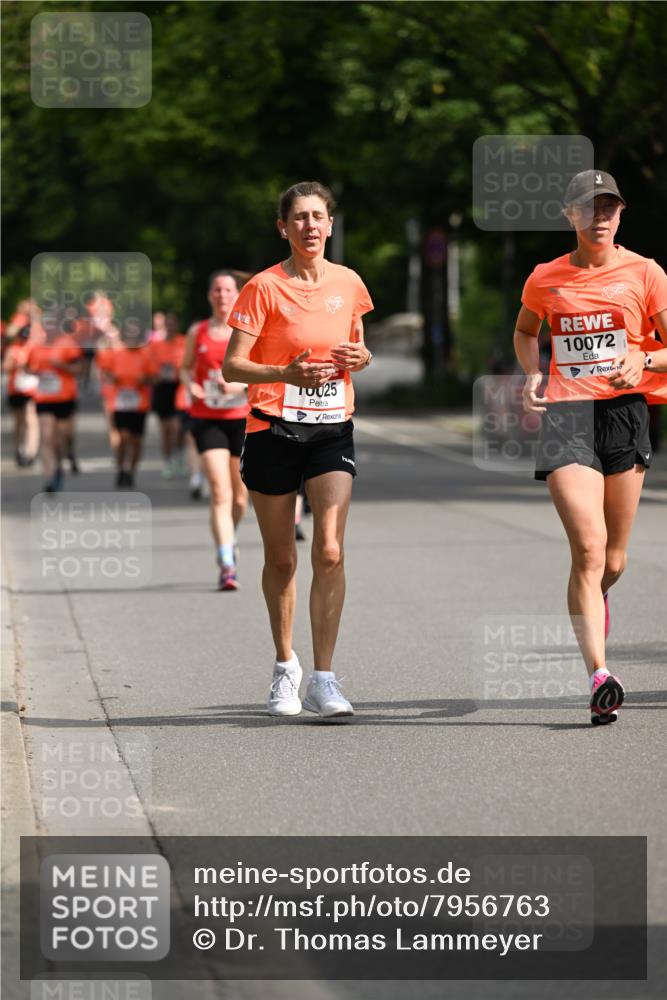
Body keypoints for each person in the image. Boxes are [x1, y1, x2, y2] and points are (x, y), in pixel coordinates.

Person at [514, 169, 667, 726]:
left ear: (620, 215)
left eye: (609, 207)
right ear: (570, 214)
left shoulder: (646, 273)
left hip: (625, 416)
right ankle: (599, 675)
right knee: (588, 547)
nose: (599, 216)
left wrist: (643, 359)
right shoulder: (545, 278)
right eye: (589, 207)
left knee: (614, 560)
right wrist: (533, 373)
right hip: (567, 418)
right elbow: (526, 331)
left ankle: (589, 601)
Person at [223, 180, 374, 719]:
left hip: (333, 425)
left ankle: (324, 677)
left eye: (319, 216)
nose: (311, 226)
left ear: (330, 225)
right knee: (282, 557)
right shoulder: (263, 288)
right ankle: (285, 667)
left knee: (330, 549)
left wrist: (362, 358)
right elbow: (231, 366)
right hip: (272, 428)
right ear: (283, 227)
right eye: (300, 218)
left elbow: (356, 345)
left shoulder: (349, 283)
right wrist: (284, 372)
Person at [181, 272, 250, 590]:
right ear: (210, 295)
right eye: (217, 290)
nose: (222, 295)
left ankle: (229, 537)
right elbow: (184, 367)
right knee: (220, 491)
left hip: (242, 418)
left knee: (240, 498)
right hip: (207, 418)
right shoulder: (198, 331)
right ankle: (226, 561)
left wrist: (236, 386)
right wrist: (191, 385)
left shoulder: (247, 331)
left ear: (236, 295)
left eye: (228, 290)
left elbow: (260, 372)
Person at [25, 317, 83, 492]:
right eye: (46, 326)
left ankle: (59, 465)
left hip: (65, 398)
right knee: (47, 436)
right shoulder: (35, 346)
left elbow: (79, 370)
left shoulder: (67, 344)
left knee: (61, 438)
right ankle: (49, 476)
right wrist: (35, 372)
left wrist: (61, 366)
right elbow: (26, 367)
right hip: (44, 398)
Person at [105, 321, 155, 488]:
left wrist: (145, 380)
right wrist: (114, 378)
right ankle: (120, 469)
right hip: (121, 403)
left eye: (135, 334)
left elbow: (155, 378)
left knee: (137, 441)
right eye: (129, 334)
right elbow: (106, 373)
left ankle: (131, 471)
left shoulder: (146, 355)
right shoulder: (116, 354)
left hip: (140, 405)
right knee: (123, 438)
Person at [149, 312, 188, 477]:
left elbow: (189, 364)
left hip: (179, 388)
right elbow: (150, 367)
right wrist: (156, 375)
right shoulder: (155, 345)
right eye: (168, 323)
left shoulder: (184, 342)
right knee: (165, 429)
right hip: (161, 389)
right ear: (164, 325)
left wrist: (180, 373)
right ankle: (167, 461)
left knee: (178, 428)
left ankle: (179, 454)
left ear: (177, 325)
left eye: (173, 323)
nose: (170, 326)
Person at [3, 325, 39, 466]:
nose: (25, 341)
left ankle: (31, 452)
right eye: (23, 338)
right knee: (18, 421)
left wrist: (28, 367)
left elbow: (41, 368)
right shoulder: (13, 349)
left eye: (27, 338)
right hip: (15, 390)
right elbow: (5, 367)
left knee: (30, 419)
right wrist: (14, 365)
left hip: (31, 390)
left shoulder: (34, 349)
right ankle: (18, 449)